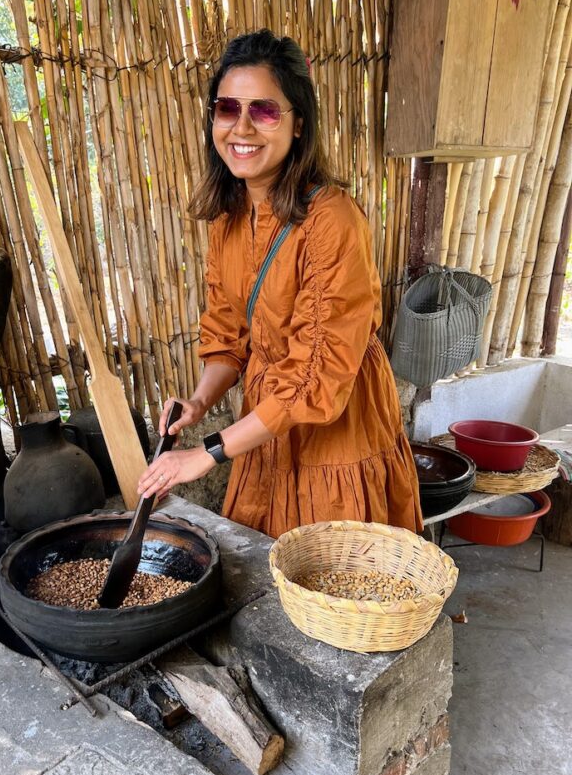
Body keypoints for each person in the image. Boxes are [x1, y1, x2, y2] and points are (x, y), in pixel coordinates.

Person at [137, 29, 422, 538]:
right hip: (263, 429)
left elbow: (316, 377)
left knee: (333, 580)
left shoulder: (332, 221)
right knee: (266, 574)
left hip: (336, 430)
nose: (242, 127)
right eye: (228, 109)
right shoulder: (228, 218)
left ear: (298, 126)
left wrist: (204, 455)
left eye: (265, 111)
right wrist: (199, 401)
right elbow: (227, 334)